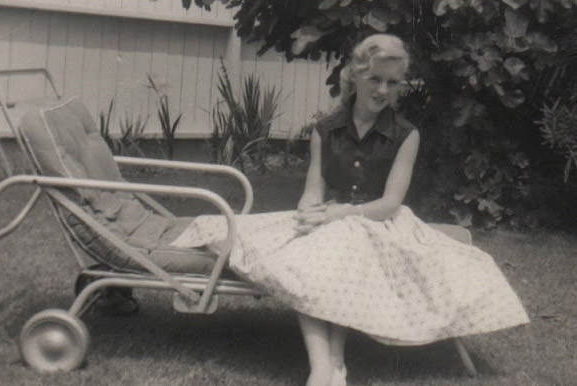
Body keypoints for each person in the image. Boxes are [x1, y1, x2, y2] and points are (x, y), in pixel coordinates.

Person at [172, 33, 529, 386]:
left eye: (392, 82)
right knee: (301, 255)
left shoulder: (406, 135)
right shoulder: (325, 131)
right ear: (354, 75)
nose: (382, 90)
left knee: (344, 252)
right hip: (332, 216)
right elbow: (313, 191)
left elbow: (390, 203)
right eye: (374, 78)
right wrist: (310, 211)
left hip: (379, 221)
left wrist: (340, 215)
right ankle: (323, 368)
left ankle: (335, 360)